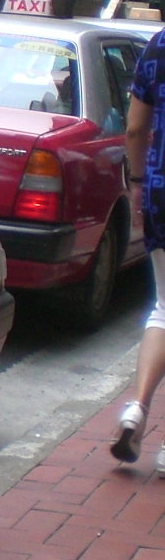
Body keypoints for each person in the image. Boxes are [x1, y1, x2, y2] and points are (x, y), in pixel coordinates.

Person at [112, 28, 165, 465]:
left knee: (164, 308)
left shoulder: (160, 45)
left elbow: (134, 129)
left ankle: (137, 409)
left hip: (162, 193)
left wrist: (135, 183)